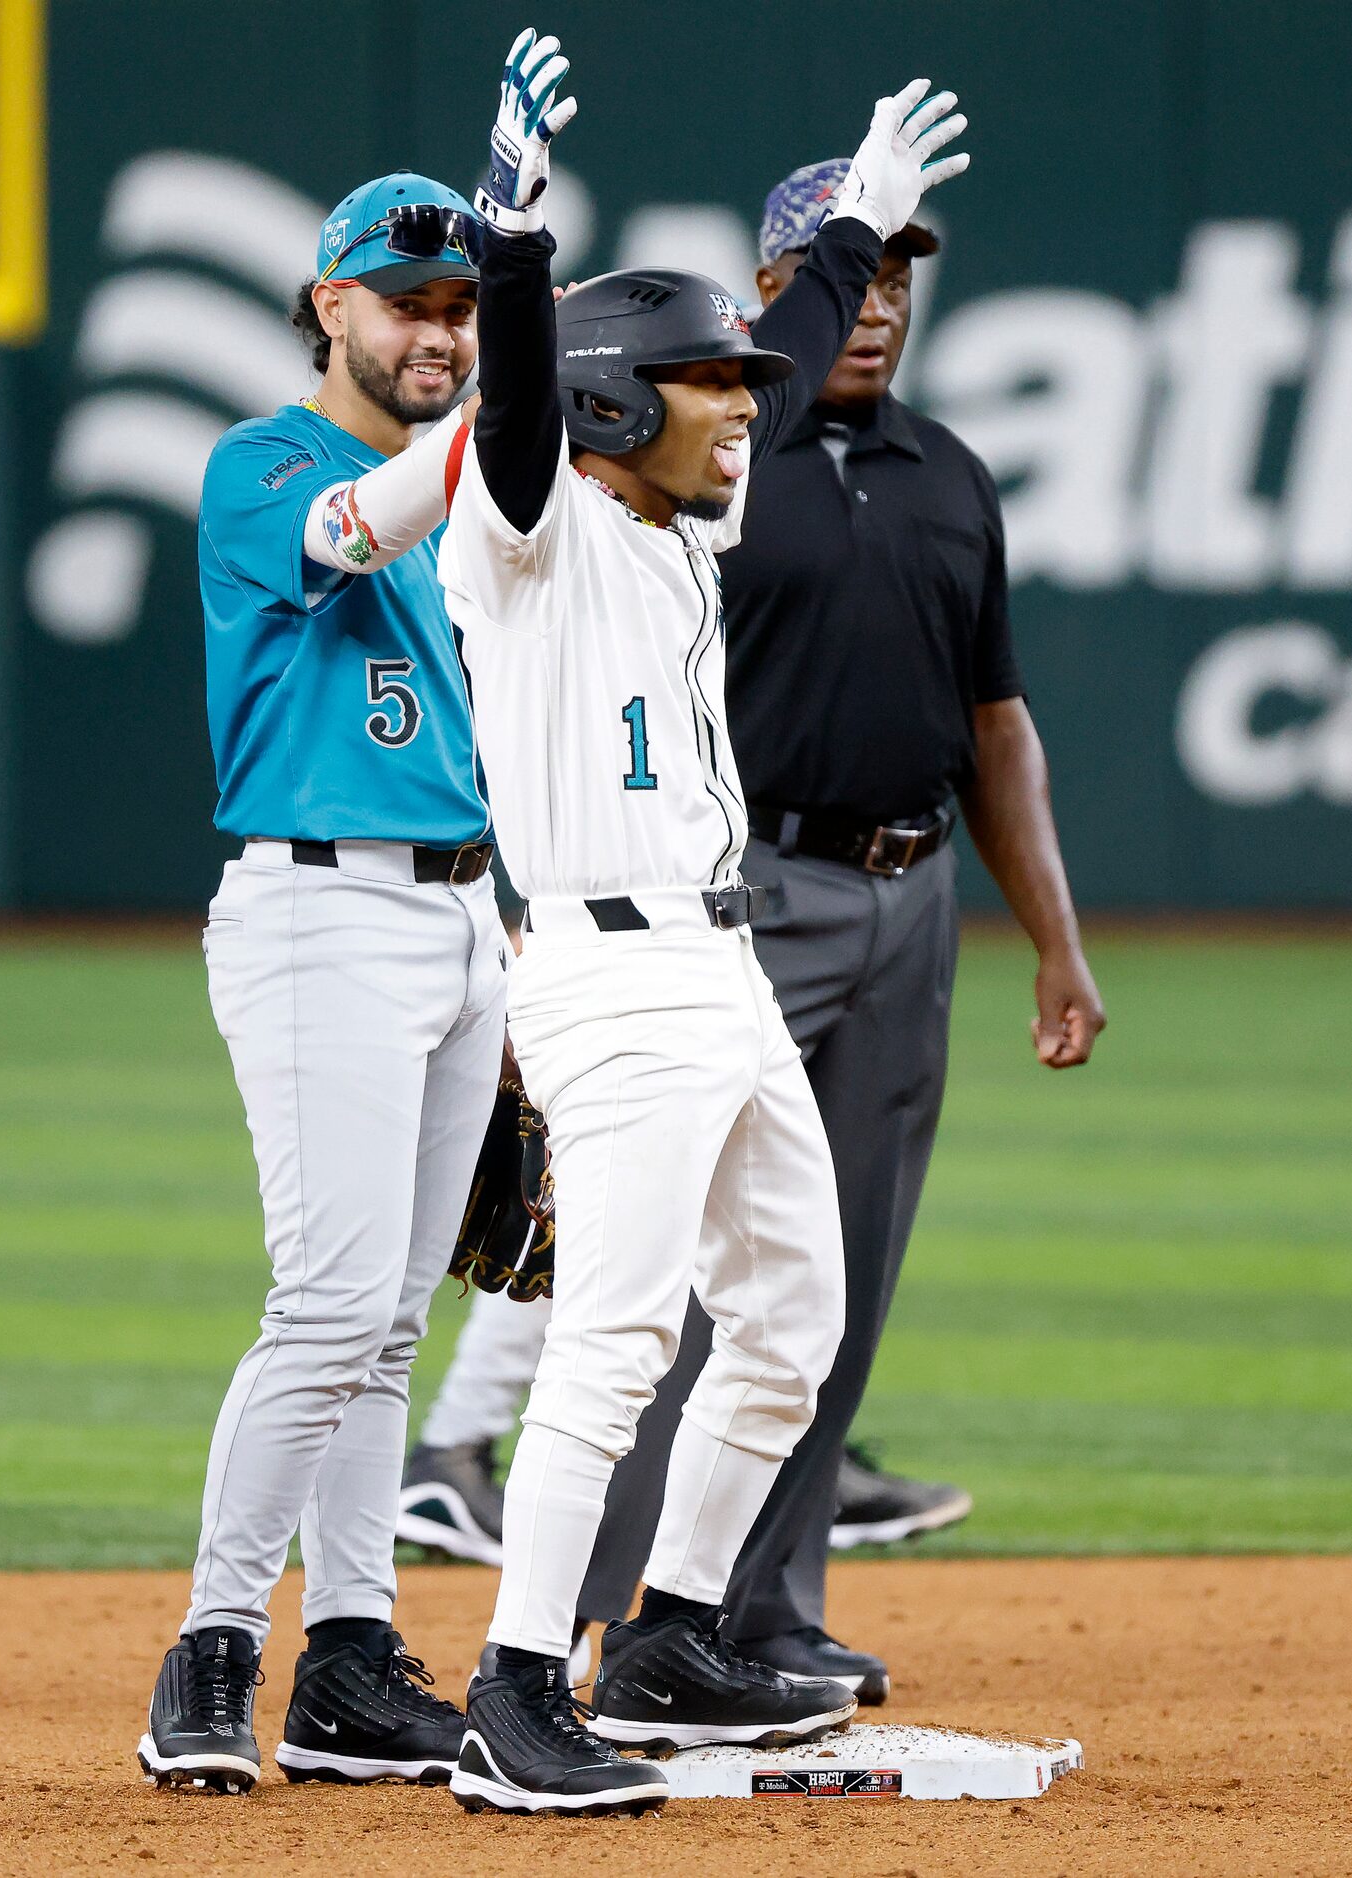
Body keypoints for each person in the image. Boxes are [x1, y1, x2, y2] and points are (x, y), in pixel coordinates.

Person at [435, 30, 970, 1817]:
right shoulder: (523, 535)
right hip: (605, 973)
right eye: (702, 381)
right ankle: (516, 1692)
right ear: (608, 402)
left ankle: (669, 1638)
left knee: (792, 1320)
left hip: (717, 962)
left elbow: (794, 360)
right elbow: (514, 410)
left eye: (740, 377)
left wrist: (851, 236)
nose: (745, 402)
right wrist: (512, 240)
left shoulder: (678, 520)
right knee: (616, 1336)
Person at [573, 160, 1107, 1700]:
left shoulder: (949, 470)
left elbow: (995, 722)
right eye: (841, 273)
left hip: (908, 896)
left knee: (836, 1280)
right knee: (681, 1280)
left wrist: (1052, 939)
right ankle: (624, 1616)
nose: (870, 302)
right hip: (743, 889)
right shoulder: (713, 466)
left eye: (889, 275)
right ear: (772, 288)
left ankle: (766, 1609)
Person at [137, 171, 508, 1795]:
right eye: (401, 298)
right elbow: (361, 528)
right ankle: (210, 1649)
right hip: (316, 913)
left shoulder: (475, 477)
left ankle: (349, 1662)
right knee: (333, 1302)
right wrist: (505, 374)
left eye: (456, 303)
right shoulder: (263, 461)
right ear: (326, 305)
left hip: (461, 917)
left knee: (389, 1328)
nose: (431, 327)